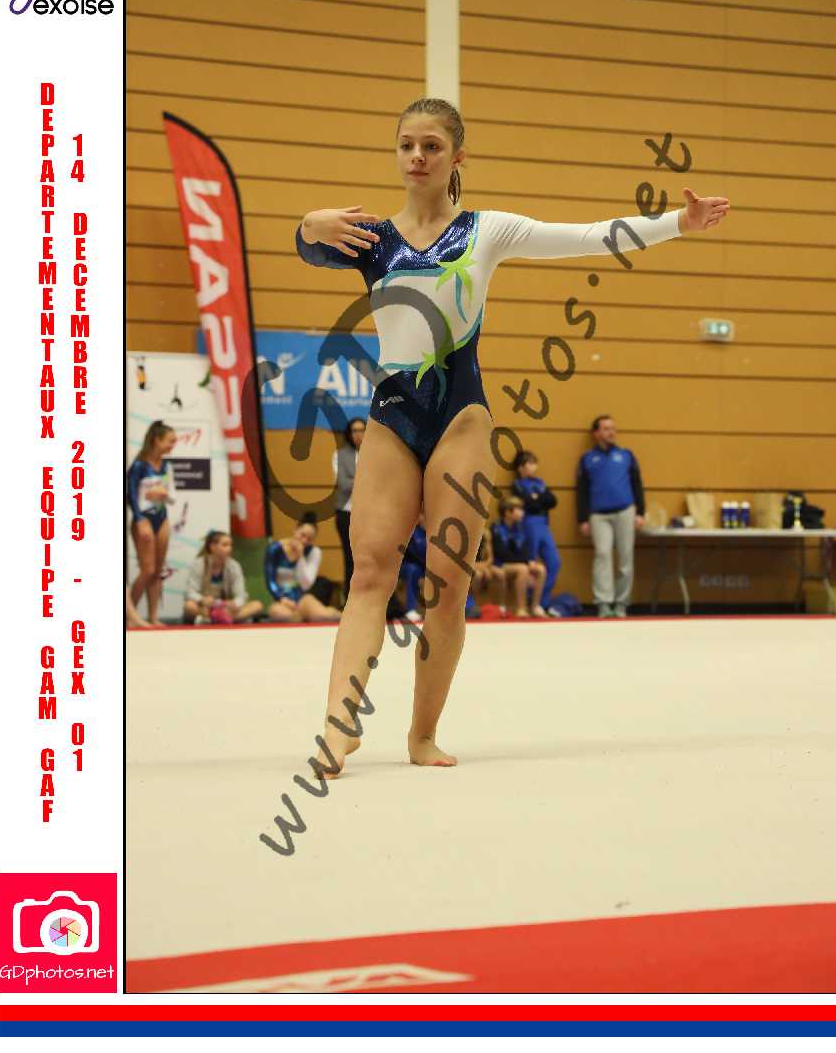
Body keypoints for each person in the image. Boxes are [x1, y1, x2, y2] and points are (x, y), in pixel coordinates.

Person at [296, 96, 729, 773]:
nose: (417, 157)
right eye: (407, 144)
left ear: (457, 157)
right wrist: (306, 224)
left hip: (461, 422)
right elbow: (308, 247)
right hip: (391, 417)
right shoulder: (372, 238)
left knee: (447, 581)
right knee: (371, 572)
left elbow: (591, 237)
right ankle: (337, 725)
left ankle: (422, 734)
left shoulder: (485, 231)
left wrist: (679, 222)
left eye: (432, 146)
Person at [576, 415, 645, 618]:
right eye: (606, 429)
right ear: (596, 433)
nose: (611, 432)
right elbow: (581, 491)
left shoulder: (626, 456)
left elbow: (637, 484)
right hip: (598, 515)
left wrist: (640, 512)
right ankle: (603, 603)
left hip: (625, 511)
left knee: (625, 558)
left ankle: (622, 603)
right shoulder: (587, 459)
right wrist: (582, 519)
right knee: (602, 555)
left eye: (613, 428)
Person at [127, 420, 177, 625]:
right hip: (143, 518)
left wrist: (163, 494)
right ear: (157, 440)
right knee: (147, 569)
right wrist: (139, 519)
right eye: (170, 441)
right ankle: (129, 615)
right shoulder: (139, 465)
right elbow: (130, 494)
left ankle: (154, 617)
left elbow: (173, 497)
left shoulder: (166, 466)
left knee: (157, 571)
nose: (173, 445)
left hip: (161, 518)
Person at [265, 514, 342, 623]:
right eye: (302, 535)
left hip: (302, 599)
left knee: (323, 615)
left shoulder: (314, 552)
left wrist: (300, 557)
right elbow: (270, 581)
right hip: (282, 601)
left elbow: (306, 585)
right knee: (279, 614)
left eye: (310, 539)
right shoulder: (275, 549)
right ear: (295, 530)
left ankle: (346, 616)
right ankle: (302, 617)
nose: (305, 540)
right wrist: (282, 599)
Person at [512, 449, 560, 611]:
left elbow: (552, 501)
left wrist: (537, 497)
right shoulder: (518, 485)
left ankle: (541, 600)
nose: (534, 467)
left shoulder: (540, 483)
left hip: (544, 524)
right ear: (521, 467)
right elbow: (529, 505)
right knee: (530, 565)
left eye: (534, 463)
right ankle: (527, 602)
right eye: (529, 463)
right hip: (529, 524)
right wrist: (540, 499)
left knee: (554, 561)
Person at [184, 530, 263, 624]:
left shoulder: (234, 566)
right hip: (206, 608)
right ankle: (220, 618)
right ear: (213, 547)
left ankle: (214, 619)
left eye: (231, 545)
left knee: (257, 605)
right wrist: (202, 600)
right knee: (189, 606)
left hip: (226, 608)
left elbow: (241, 595)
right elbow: (190, 592)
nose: (229, 548)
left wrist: (234, 603)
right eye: (225, 545)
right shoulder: (198, 564)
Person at [491, 495, 547, 617]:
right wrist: (524, 563)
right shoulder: (496, 528)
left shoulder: (520, 528)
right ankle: (521, 608)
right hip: (500, 564)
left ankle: (535, 606)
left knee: (541, 569)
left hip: (518, 563)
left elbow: (526, 548)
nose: (522, 513)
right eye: (519, 509)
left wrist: (530, 561)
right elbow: (501, 553)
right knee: (523, 569)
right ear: (508, 512)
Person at [332, 416, 365, 603]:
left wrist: (356, 480)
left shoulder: (376, 454)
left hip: (371, 514)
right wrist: (367, 480)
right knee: (350, 558)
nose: (358, 434)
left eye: (362, 430)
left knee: (371, 559)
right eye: (354, 431)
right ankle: (350, 600)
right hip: (347, 512)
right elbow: (343, 485)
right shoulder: (339, 455)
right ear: (349, 434)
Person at [397, 508, 428, 622]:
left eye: (424, 515)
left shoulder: (432, 531)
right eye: (421, 515)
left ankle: (464, 607)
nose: (423, 518)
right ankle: (411, 609)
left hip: (426, 566)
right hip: (407, 566)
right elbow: (415, 554)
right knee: (413, 569)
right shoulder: (411, 532)